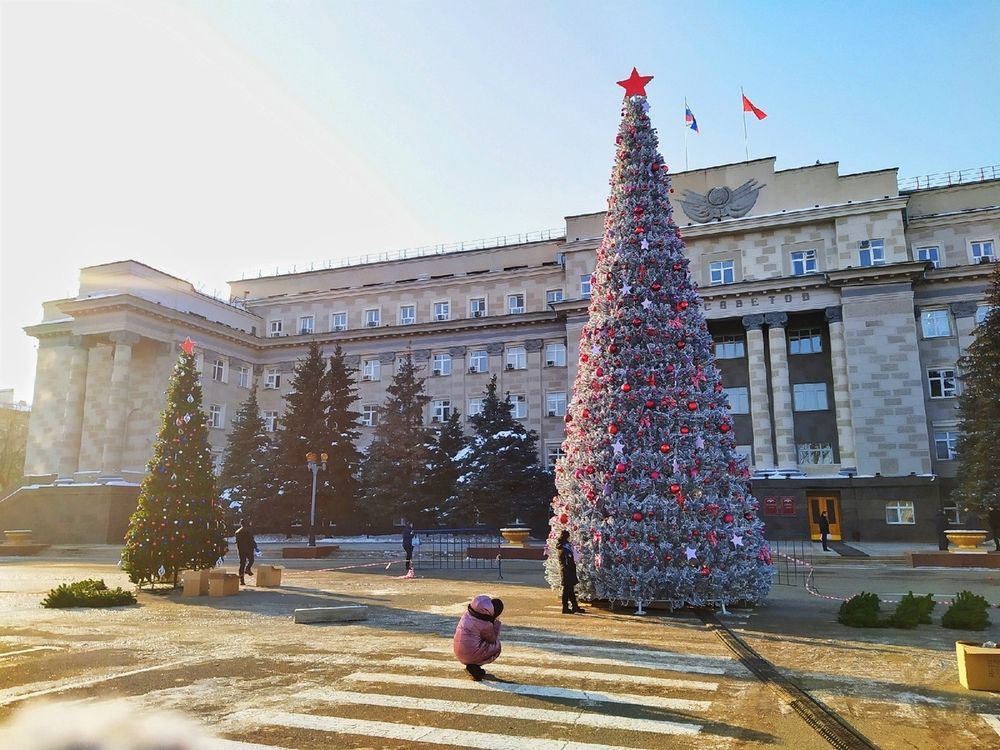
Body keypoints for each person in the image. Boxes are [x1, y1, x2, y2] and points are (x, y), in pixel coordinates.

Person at [452, 594, 503, 681]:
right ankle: (474, 667)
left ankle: (473, 666)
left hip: (458, 651)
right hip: (469, 654)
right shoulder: (485, 624)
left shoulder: (467, 615)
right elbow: (492, 639)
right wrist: (496, 622)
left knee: (476, 641)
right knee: (496, 645)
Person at [557, 530, 585, 614]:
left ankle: (574, 606)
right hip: (567, 571)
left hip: (569, 570)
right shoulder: (564, 547)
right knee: (567, 590)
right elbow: (567, 560)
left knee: (570, 590)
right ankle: (565, 608)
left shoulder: (566, 546)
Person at [234, 518, 259, 585]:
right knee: (251, 560)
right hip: (248, 549)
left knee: (242, 564)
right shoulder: (248, 531)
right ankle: (248, 569)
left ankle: (242, 581)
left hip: (241, 550)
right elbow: (251, 540)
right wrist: (255, 546)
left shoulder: (237, 532)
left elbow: (237, 542)